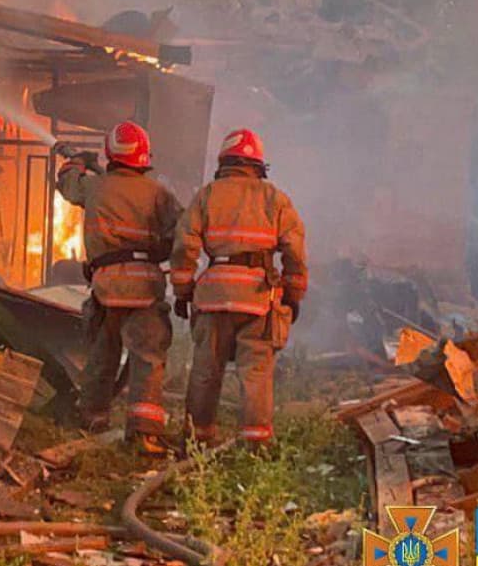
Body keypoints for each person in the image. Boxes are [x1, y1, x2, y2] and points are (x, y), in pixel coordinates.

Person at [171, 128, 308, 449]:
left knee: (206, 369)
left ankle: (197, 437)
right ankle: (256, 442)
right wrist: (294, 292)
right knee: (256, 372)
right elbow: (295, 249)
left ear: (224, 162)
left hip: (214, 295)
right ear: (258, 164)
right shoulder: (274, 198)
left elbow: (185, 244)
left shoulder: (207, 195)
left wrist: (182, 289)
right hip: (259, 298)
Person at [55, 121, 183, 457]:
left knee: (103, 351)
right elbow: (182, 233)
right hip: (144, 284)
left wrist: (75, 162)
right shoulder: (159, 194)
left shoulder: (96, 187)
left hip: (107, 285)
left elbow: (68, 184)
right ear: (144, 158)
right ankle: (143, 431)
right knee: (148, 356)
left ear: (111, 155)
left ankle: (92, 415)